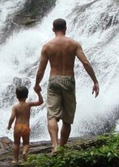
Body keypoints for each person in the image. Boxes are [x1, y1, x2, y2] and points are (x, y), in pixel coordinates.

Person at [34, 18, 99, 154]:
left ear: (53, 29)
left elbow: (41, 70)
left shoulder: (47, 46)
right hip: (68, 80)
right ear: (65, 28)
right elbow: (85, 63)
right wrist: (95, 81)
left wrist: (37, 84)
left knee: (52, 116)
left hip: (54, 81)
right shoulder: (73, 44)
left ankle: (54, 146)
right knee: (67, 119)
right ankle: (62, 147)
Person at [7, 85, 44, 163]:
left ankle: (15, 159)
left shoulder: (15, 107)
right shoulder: (28, 105)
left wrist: (9, 125)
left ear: (16, 96)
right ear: (27, 96)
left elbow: (12, 117)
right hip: (26, 127)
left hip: (17, 127)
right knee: (26, 143)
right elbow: (40, 102)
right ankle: (24, 153)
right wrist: (38, 93)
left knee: (16, 144)